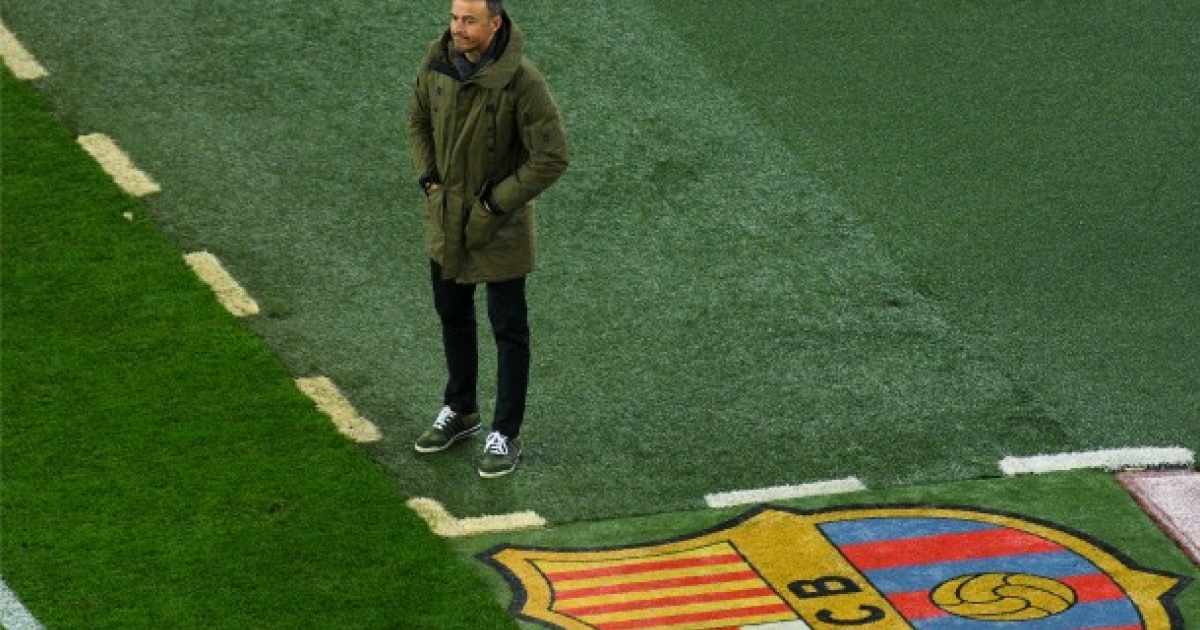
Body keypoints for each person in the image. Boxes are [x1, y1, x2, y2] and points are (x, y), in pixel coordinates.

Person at [407, 0, 568, 477]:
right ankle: (461, 409)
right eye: (454, 18)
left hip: (500, 227)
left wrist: (495, 204)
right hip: (446, 218)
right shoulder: (437, 60)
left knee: (508, 329)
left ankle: (506, 433)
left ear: (494, 24)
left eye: (469, 21)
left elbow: (552, 157)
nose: (457, 29)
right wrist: (430, 179)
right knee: (451, 313)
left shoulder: (524, 81)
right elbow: (417, 118)